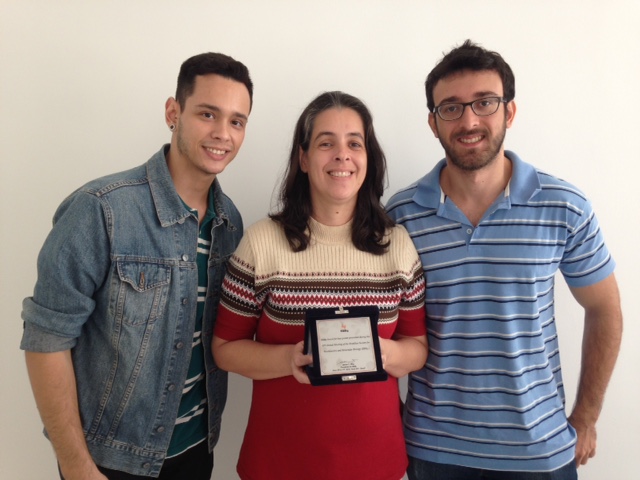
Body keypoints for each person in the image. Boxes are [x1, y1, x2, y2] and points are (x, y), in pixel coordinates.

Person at [386, 39, 623, 480]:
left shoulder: (563, 206)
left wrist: (586, 417)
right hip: (434, 451)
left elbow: (605, 308)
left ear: (509, 112)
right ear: (433, 123)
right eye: (451, 108)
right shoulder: (401, 214)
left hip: (540, 452)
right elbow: (382, 326)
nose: (469, 120)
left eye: (485, 103)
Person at [20, 52, 253, 480]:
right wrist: (76, 466)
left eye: (237, 121)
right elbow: (45, 340)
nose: (223, 133)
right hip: (109, 463)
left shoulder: (230, 222)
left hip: (196, 451)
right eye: (207, 114)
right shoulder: (100, 209)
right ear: (173, 112)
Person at [212, 91, 428, 480]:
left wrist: (386, 352)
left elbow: (417, 347)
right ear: (303, 158)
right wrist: (287, 360)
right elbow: (225, 349)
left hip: (375, 463)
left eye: (354, 144)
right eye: (326, 143)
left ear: (368, 157)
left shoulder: (396, 245)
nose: (342, 155)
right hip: (279, 464)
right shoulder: (262, 243)